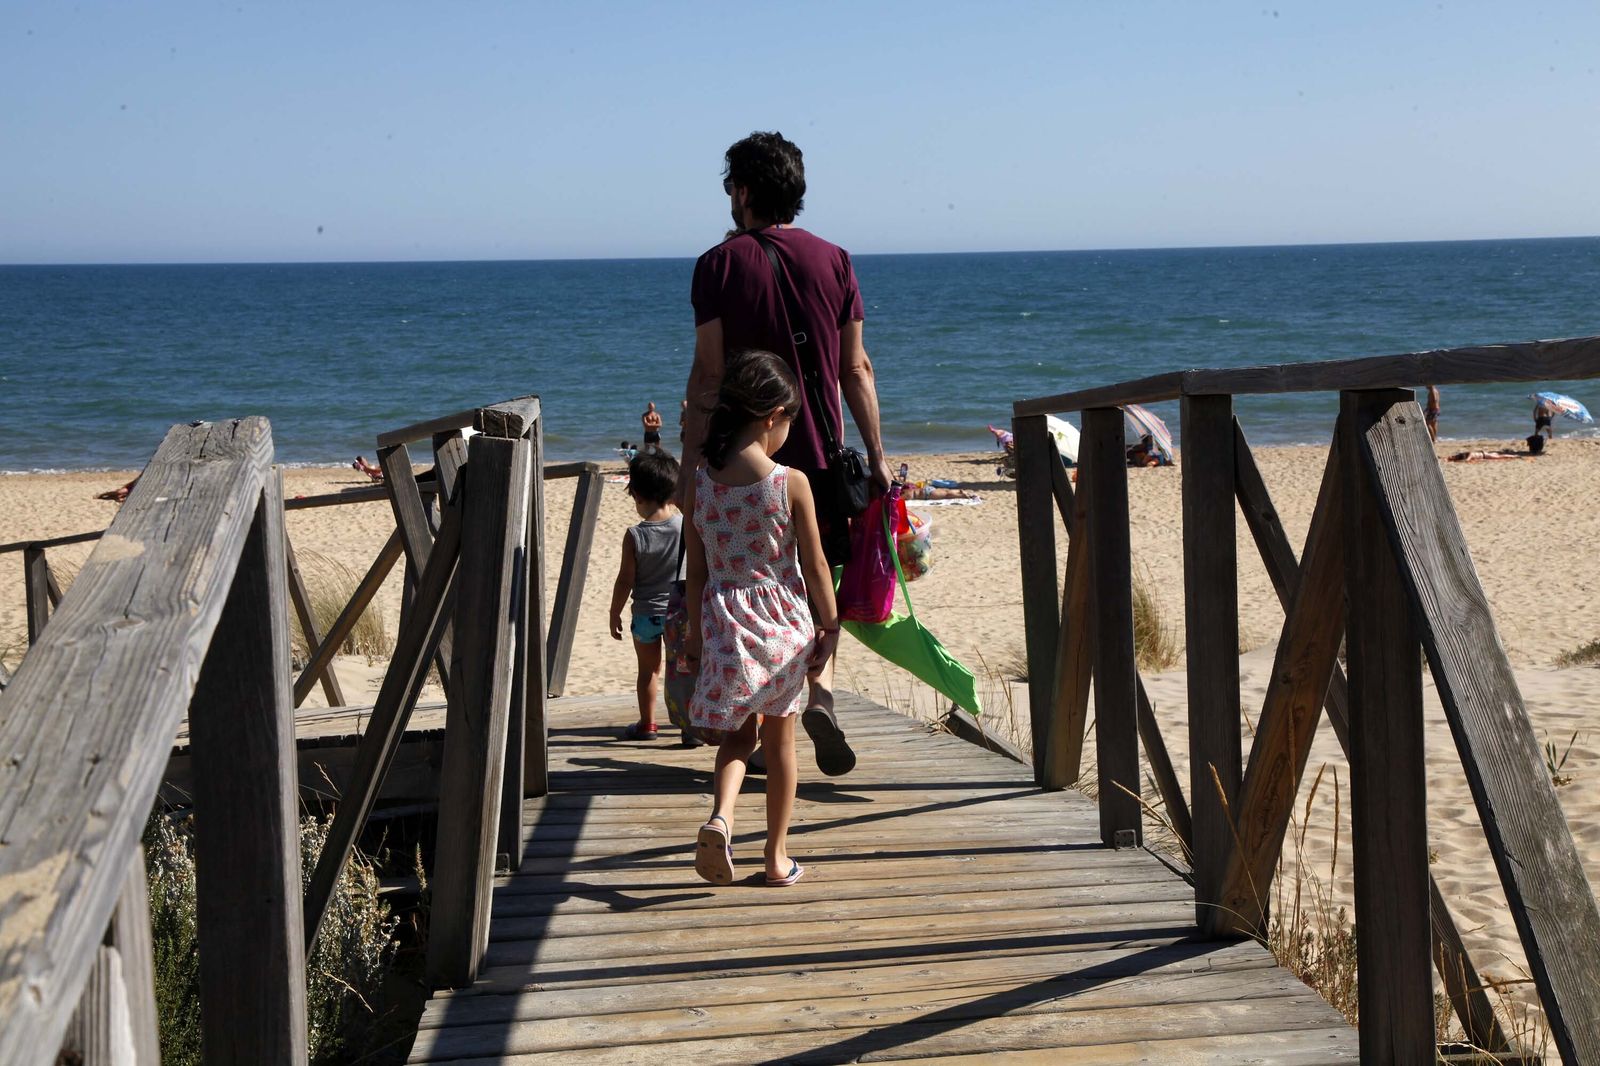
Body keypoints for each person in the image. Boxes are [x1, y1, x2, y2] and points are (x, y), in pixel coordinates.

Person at [679, 130, 891, 777]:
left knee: (746, 583)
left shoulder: (718, 265)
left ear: (741, 191)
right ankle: (818, 691)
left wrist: (694, 459)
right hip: (823, 457)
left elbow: (710, 376)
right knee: (815, 582)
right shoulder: (835, 259)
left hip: (744, 458)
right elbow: (855, 369)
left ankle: (751, 713)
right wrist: (877, 456)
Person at [686, 352, 840, 887]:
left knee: (736, 737)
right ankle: (775, 859)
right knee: (780, 746)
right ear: (774, 415)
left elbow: (697, 572)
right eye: (789, 424)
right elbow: (815, 563)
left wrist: (693, 635)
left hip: (725, 622)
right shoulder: (788, 481)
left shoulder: (701, 483)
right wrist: (831, 623)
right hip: (780, 627)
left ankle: (720, 818)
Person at [607, 450, 683, 741]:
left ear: (637, 495)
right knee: (684, 670)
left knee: (648, 671)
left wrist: (614, 612)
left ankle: (648, 724)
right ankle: (689, 729)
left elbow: (625, 579)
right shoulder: (684, 527)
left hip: (645, 615)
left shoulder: (635, 535)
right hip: (679, 613)